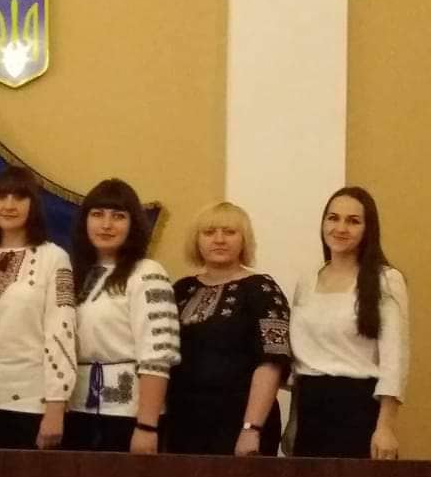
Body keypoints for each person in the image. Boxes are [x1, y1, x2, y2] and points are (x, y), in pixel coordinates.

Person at [290, 187, 408, 459]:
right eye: (333, 218)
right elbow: (300, 364)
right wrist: (293, 421)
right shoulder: (307, 280)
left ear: (368, 229)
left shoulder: (386, 280)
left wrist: (386, 427)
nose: (341, 228)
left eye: (353, 221)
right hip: (311, 407)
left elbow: (395, 360)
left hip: (358, 407)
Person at [0, 166, 75, 450]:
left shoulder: (55, 258)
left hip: (31, 404)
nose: (9, 205)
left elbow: (62, 332)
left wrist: (56, 406)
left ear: (33, 205)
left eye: (19, 197)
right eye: (2, 197)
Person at [167, 201, 291, 456]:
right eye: (209, 232)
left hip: (242, 425)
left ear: (244, 240)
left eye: (230, 232)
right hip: (184, 424)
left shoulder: (263, 289)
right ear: (197, 240)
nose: (219, 239)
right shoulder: (181, 290)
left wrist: (251, 428)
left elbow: (273, 362)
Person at [65, 178, 179, 453]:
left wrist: (147, 426)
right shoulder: (74, 273)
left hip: (128, 415)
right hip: (75, 411)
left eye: (118, 216)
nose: (106, 225)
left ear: (133, 224)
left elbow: (158, 354)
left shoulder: (146, 272)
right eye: (97, 214)